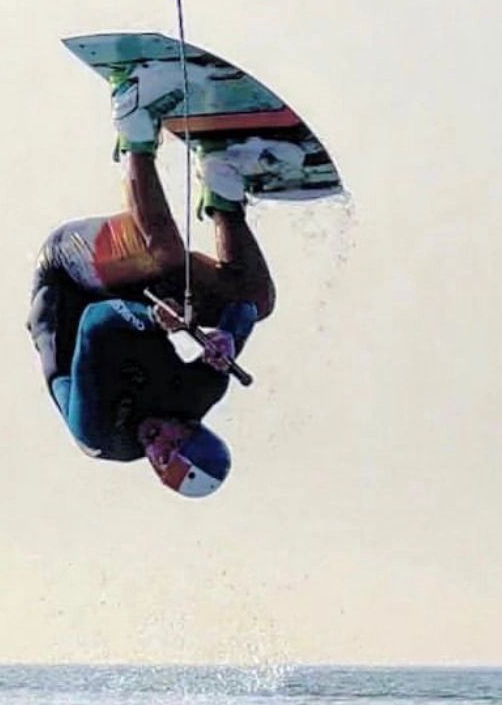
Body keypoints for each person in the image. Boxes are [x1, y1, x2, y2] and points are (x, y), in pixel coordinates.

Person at [28, 62, 304, 498]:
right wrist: (229, 337)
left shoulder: (100, 433)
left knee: (163, 255)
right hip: (137, 293)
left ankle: (132, 113)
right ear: (192, 426)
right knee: (256, 297)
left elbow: (96, 322)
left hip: (68, 276)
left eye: (160, 457)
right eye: (173, 442)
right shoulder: (198, 394)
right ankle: (224, 179)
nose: (156, 441)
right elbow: (244, 311)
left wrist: (156, 321)